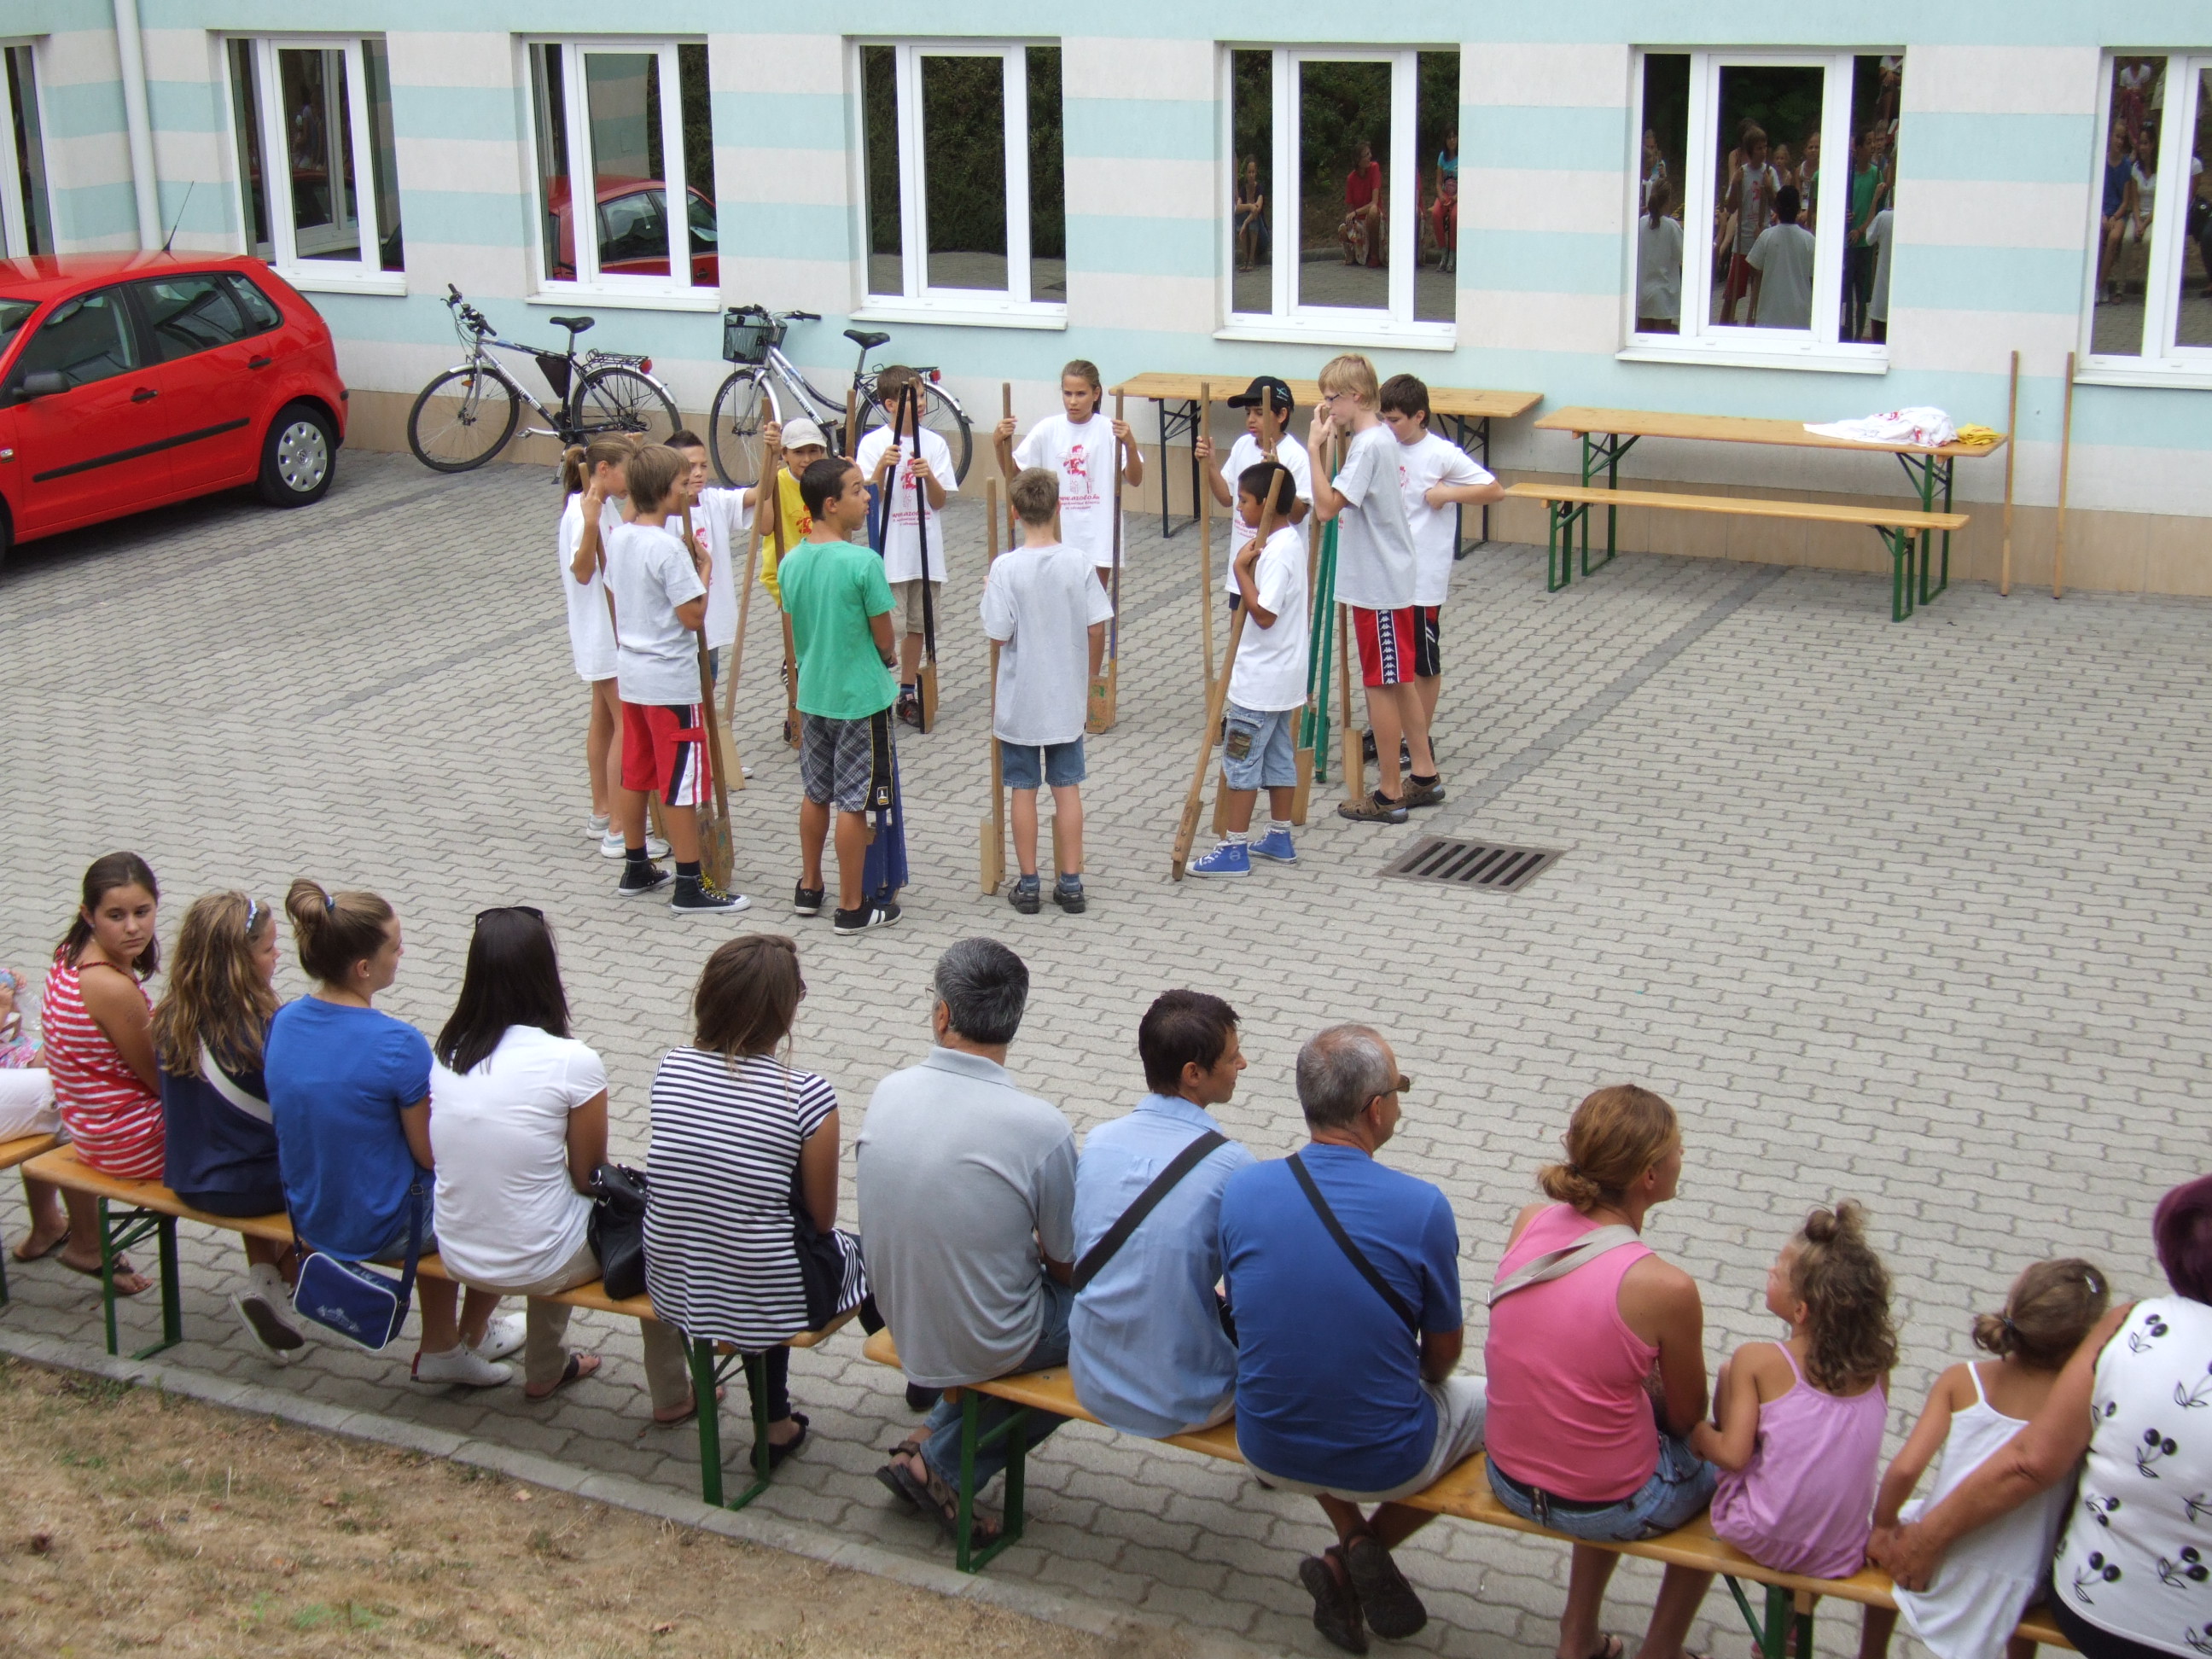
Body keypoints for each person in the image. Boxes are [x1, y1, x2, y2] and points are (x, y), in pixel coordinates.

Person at [1219, 1024, 1481, 1654]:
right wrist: (1418, 1379)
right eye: (1400, 1089)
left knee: (1314, 1379)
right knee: (1497, 1406)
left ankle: (1349, 1540)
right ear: (1376, 1110)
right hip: (1389, 1460)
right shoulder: (1423, 1207)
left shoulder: (1243, 1190)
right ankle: (1355, 1552)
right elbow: (1443, 1357)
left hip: (1265, 1441)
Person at [1875, 1176, 2212, 1659]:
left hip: (2096, 1604)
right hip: (2081, 1596)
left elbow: (2028, 1463)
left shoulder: (2133, 1326)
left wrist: (1906, 1533)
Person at [1483, 1086, 1717, 1659]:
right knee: (1734, 1478)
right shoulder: (1666, 1287)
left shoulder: (1531, 1222)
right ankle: (1661, 1650)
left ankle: (1578, 1637)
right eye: (1677, 1148)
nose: (1683, 1155)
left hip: (1508, 1477)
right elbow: (1688, 1418)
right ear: (1649, 1177)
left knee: (1608, 1433)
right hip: (1605, 1502)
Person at [428, 906, 694, 1411]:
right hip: (535, 1258)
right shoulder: (572, 1061)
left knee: (547, 1210)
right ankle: (673, 1396)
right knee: (650, 1236)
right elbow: (589, 1175)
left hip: (458, 1249)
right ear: (545, 973)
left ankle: (547, 1369)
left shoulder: (448, 1051)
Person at [858, 939, 1074, 1547]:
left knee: (983, 1302)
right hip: (984, 1333)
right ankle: (947, 1466)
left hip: (904, 1315)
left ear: (942, 1015)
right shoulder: (1042, 1127)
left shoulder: (888, 1090)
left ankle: (929, 1438)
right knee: (1111, 1337)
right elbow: (1066, 1263)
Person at [265, 879, 518, 1387]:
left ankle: (454, 1337)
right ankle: (457, 1340)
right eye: (395, 947)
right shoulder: (398, 1044)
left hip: (311, 1212)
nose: (402, 955)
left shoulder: (284, 1020)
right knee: (504, 1203)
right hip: (378, 1227)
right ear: (364, 968)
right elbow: (428, 1154)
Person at [645, 934, 867, 1447]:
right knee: (864, 1255)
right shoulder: (807, 1095)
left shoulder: (670, 1066)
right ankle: (922, 1381)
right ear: (783, 1013)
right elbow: (822, 1220)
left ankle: (776, 1422)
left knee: (757, 1242)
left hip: (675, 1280)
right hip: (757, 1288)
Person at [1857, 1259, 2111, 1659]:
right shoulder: (2084, 1410)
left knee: (1903, 1520)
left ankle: (1871, 1653)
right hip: (2024, 1581)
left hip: (1936, 1561)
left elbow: (1905, 1468)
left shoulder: (1963, 1380)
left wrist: (1884, 1526)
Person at [1069, 990, 1255, 1436]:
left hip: (1092, 1380)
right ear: (1193, 1074)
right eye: (1232, 1056)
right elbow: (1252, 1301)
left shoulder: (1099, 1141)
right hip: (1185, 1399)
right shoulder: (1234, 1166)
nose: (1243, 1063)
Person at [1694, 1203, 1895, 1579]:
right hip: (1841, 1550)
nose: (1771, 1270)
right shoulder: (1877, 1370)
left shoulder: (1757, 1360)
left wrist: (1699, 1433)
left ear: (1801, 1311)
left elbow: (1733, 1457)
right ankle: (1795, 1613)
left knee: (1726, 1393)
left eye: (1780, 1270)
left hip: (1761, 1532)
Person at [150, 891, 304, 1363]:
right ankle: (286, 1282)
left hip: (189, 1178)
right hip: (249, 1187)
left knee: (250, 1150)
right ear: (238, 964)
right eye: (269, 949)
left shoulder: (170, 1017)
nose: (278, 956)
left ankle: (263, 1281)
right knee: (335, 1189)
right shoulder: (265, 1028)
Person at [602, 442, 748, 917]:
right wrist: (704, 568)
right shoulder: (667, 548)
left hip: (633, 673)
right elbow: (692, 616)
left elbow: (613, 589)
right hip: (669, 680)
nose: (689, 491)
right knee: (680, 781)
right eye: (683, 484)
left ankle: (636, 864)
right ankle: (690, 882)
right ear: (665, 490)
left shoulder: (621, 537)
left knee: (638, 771)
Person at [15, 853, 165, 1295]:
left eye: (142, 912)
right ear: (89, 914)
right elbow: (160, 1083)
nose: (133, 927)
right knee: (256, 1140)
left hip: (89, 1121)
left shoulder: (70, 953)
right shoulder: (110, 986)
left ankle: (71, 1235)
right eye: (116, 916)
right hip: (127, 1142)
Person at [981, 466, 1113, 914]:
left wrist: (990, 592)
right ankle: (1071, 882)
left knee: (1022, 789)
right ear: (1059, 508)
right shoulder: (1078, 562)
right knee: (1067, 788)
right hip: (1065, 700)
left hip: (1021, 701)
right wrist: (1088, 676)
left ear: (1014, 512)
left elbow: (999, 633)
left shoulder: (1005, 568)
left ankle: (1029, 882)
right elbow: (1097, 626)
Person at [779, 456, 902, 934]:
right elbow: (885, 639)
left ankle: (810, 886)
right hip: (859, 699)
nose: (866, 496)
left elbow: (797, 626)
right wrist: (887, 656)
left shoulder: (792, 561)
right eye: (856, 490)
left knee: (816, 793)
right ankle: (852, 906)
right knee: (853, 801)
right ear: (830, 504)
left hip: (813, 694)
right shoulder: (863, 563)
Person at [1311, 352, 1435, 823]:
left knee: (1379, 684)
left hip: (1378, 584)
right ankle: (1423, 772)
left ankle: (1388, 792)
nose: (1327, 408)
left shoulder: (1367, 446)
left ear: (1357, 396)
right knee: (1399, 680)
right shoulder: (1378, 438)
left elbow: (1326, 507)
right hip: (1387, 576)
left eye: (1332, 399)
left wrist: (1313, 450)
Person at [1188, 463, 1307, 877]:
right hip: (1284, 675)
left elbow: (1265, 614)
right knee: (1278, 756)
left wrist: (1240, 571)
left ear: (1267, 504)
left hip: (1260, 681)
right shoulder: (1287, 542)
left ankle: (1234, 847)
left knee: (1240, 760)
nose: (1238, 508)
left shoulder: (1275, 553)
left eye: (1244, 501)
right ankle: (1279, 835)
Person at [1378, 375, 1504, 740]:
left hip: (1422, 579)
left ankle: (1418, 738)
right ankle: (1387, 729)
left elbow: (1494, 490)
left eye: (1395, 420)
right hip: (1387, 572)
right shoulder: (1382, 445)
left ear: (1419, 416)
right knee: (1391, 659)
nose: (1389, 426)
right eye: (1384, 419)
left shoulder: (1441, 453)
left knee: (1423, 661)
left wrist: (1447, 494)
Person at [856, 366, 957, 727]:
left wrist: (928, 477)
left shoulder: (935, 444)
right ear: (890, 405)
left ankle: (907, 691)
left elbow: (940, 501)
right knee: (886, 627)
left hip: (924, 552)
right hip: (891, 553)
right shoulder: (873, 444)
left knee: (918, 624)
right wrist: (881, 470)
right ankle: (878, 690)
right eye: (913, 398)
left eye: (923, 395)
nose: (922, 403)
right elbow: (869, 499)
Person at [560, 435, 640, 857]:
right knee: (628, 722)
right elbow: (583, 570)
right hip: (602, 631)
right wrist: (591, 525)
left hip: (603, 629)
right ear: (604, 470)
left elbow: (619, 535)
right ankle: (619, 829)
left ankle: (602, 810)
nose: (632, 480)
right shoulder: (583, 512)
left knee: (604, 719)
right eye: (629, 470)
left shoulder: (603, 503)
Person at [995, 361, 1143, 588]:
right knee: (1058, 601)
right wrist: (998, 445)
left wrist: (1130, 446)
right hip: (1056, 532)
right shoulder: (1047, 429)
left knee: (1093, 602)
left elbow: (1135, 479)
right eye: (1068, 393)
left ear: (1096, 394)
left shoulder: (1108, 430)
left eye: (1081, 394)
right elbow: (1015, 477)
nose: (1073, 401)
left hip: (1098, 532)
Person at [668, 424, 779, 692]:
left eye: (703, 466)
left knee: (707, 689)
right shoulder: (665, 511)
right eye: (690, 467)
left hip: (711, 619)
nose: (698, 473)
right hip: (675, 626)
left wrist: (772, 455)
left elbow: (760, 494)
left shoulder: (714, 500)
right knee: (683, 694)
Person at [1196, 375, 1313, 611]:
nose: (1251, 419)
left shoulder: (1295, 455)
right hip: (1245, 559)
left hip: (1277, 566)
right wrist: (1209, 465)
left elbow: (1298, 515)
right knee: (1238, 630)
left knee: (1270, 623)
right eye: (1248, 412)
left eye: (1259, 413)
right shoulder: (1242, 445)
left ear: (1281, 415)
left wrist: (1278, 473)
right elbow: (1226, 498)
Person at [1720, 125, 1779, 325]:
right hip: (1743, 241)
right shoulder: (1742, 174)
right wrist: (1735, 185)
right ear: (1750, 151)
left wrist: (1769, 188)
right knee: (1733, 292)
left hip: (1762, 239)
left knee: (1760, 293)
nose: (1763, 152)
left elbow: (1777, 205)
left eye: (1765, 147)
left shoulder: (1769, 172)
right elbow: (1730, 207)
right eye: (1759, 148)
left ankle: (1755, 325)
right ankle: (1725, 325)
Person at [1748, 184, 1817, 330]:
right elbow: (1813, 277)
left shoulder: (1766, 236)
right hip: (1799, 317)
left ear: (1777, 210)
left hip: (1769, 317)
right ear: (1798, 209)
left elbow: (1754, 269)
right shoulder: (1809, 240)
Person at [0, 965, 57, 1141]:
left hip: (20, 1044)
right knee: (56, 1057)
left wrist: (17, 986)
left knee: (58, 1051)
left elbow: (16, 1024)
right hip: (6, 1058)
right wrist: (3, 1008)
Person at [1846, 129, 1889, 337]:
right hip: (1848, 243)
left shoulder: (1876, 175)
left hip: (1865, 243)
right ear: (1859, 148)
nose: (1872, 146)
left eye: (1874, 142)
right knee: (1846, 294)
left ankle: (1858, 335)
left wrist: (1861, 229)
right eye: (1868, 142)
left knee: (1863, 297)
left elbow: (1877, 210)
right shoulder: (1849, 177)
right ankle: (1846, 332)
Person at [1637, 176, 1685, 333]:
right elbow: (1681, 255)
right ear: (1668, 200)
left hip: (1642, 291)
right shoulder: (1671, 226)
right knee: (1662, 337)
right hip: (1664, 294)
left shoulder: (1641, 223)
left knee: (1644, 337)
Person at [1341, 140, 1385, 268]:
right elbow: (1350, 208)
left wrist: (1355, 213)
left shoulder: (1375, 168)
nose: (1370, 156)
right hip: (1359, 221)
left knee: (1373, 211)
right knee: (1343, 229)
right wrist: (1350, 218)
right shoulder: (1351, 179)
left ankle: (1374, 255)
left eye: (1369, 153)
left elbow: (1374, 202)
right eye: (1366, 155)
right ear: (1358, 161)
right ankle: (1354, 256)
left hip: (1374, 217)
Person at [1865, 204, 1895, 345]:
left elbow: (1869, 238)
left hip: (1882, 290)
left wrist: (1875, 201)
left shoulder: (1884, 217)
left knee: (1879, 339)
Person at [1235, 156, 1267, 271]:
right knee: (1239, 214)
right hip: (1247, 236)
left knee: (1254, 215)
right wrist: (1249, 206)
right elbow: (1236, 208)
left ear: (1256, 173)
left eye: (1253, 172)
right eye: (1249, 172)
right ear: (1246, 174)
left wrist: (1245, 223)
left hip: (1261, 239)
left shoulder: (1259, 188)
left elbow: (1257, 208)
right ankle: (1245, 258)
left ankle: (1252, 259)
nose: (1251, 175)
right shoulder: (1243, 190)